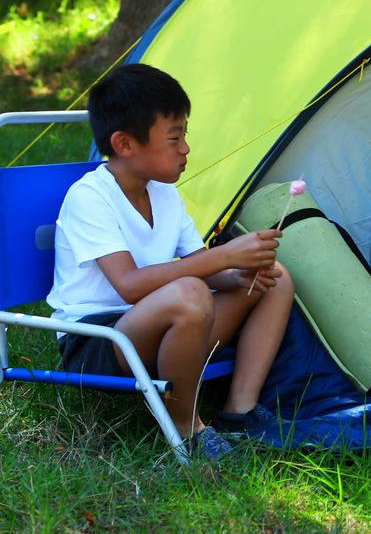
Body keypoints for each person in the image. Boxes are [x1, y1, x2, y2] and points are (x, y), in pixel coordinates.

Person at [47, 63, 295, 459]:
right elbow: (128, 285)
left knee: (274, 278)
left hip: (162, 327)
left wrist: (238, 272)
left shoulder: (162, 193)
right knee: (190, 293)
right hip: (99, 341)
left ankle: (239, 410)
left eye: (185, 135)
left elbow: (207, 269)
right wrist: (222, 256)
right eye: (174, 137)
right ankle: (187, 430)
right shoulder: (89, 197)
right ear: (126, 144)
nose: (186, 149)